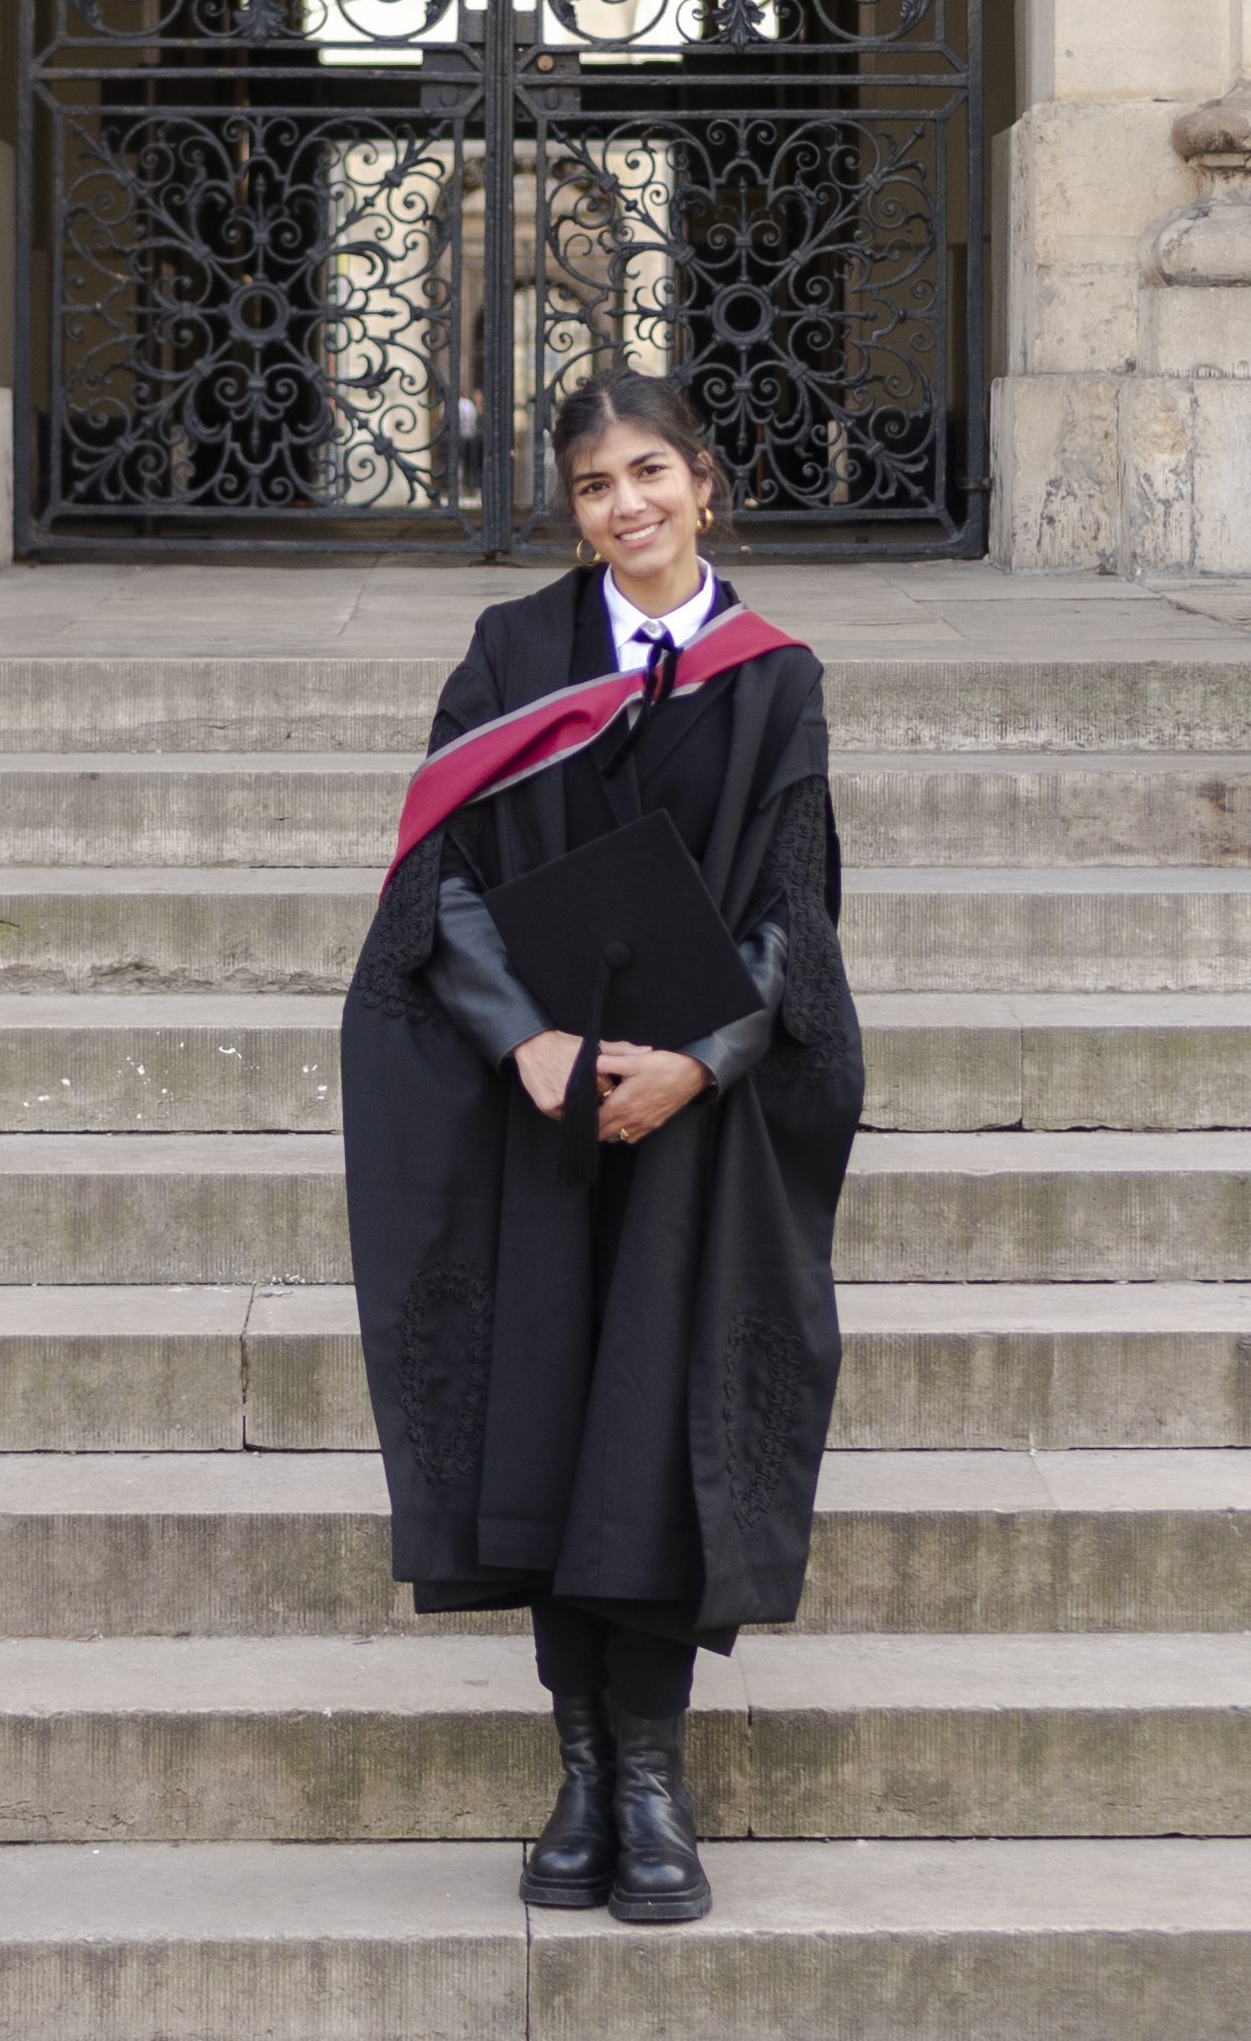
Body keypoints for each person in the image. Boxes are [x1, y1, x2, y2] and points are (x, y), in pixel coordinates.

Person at [340, 370, 863, 1923]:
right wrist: (536, 1043)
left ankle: (654, 1779)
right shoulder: (513, 656)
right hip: (543, 1116)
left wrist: (699, 1063)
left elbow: (794, 912)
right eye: (592, 486)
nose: (624, 504)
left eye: (650, 471)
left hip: (695, 1125)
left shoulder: (775, 678)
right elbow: (435, 880)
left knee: (658, 1431)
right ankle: (578, 1767)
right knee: (553, 1428)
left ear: (705, 481)